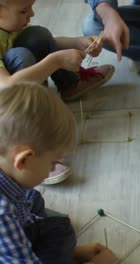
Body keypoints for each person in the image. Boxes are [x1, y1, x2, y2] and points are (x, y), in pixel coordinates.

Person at [0, 82, 117, 263]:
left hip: (14, 226)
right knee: (61, 231)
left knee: (35, 199)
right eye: (53, 162)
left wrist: (72, 252)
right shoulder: (2, 215)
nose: (54, 169)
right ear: (23, 160)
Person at [0, 0, 115, 183]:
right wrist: (55, 61)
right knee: (20, 56)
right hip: (5, 112)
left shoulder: (7, 24)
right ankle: (35, 152)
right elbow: (8, 87)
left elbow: (49, 42)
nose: (31, 14)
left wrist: (76, 42)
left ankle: (70, 86)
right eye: (23, 10)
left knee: (38, 35)